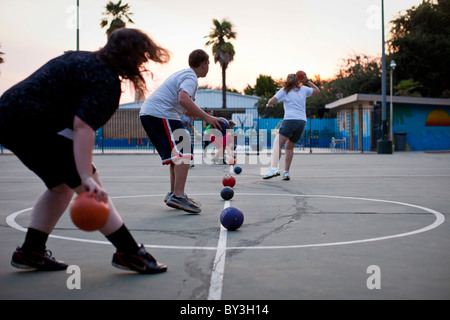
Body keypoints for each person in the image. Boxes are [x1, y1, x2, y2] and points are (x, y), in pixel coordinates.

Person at [0, 28, 170, 273]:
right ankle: (130, 253)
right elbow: (82, 127)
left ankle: (31, 251)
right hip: (31, 125)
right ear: (129, 56)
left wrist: (82, 174)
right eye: (142, 55)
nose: (144, 61)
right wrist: (85, 177)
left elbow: (72, 124)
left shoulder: (81, 59)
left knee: (61, 187)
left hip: (9, 118)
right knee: (91, 187)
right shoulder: (105, 80)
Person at [140, 49, 223, 214]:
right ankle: (178, 195)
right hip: (160, 114)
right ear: (204, 63)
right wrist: (207, 118)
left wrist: (216, 120)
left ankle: (174, 194)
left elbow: (185, 108)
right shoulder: (191, 77)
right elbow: (182, 99)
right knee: (184, 149)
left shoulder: (185, 74)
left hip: (154, 113)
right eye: (208, 65)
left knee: (176, 155)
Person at [263, 73, 320, 180]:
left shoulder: (285, 90)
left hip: (290, 120)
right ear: (298, 80)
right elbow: (317, 90)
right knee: (289, 147)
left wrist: (269, 104)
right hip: (302, 122)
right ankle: (286, 172)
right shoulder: (303, 89)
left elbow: (271, 100)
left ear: (288, 81)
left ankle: (274, 168)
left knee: (277, 144)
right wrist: (307, 80)